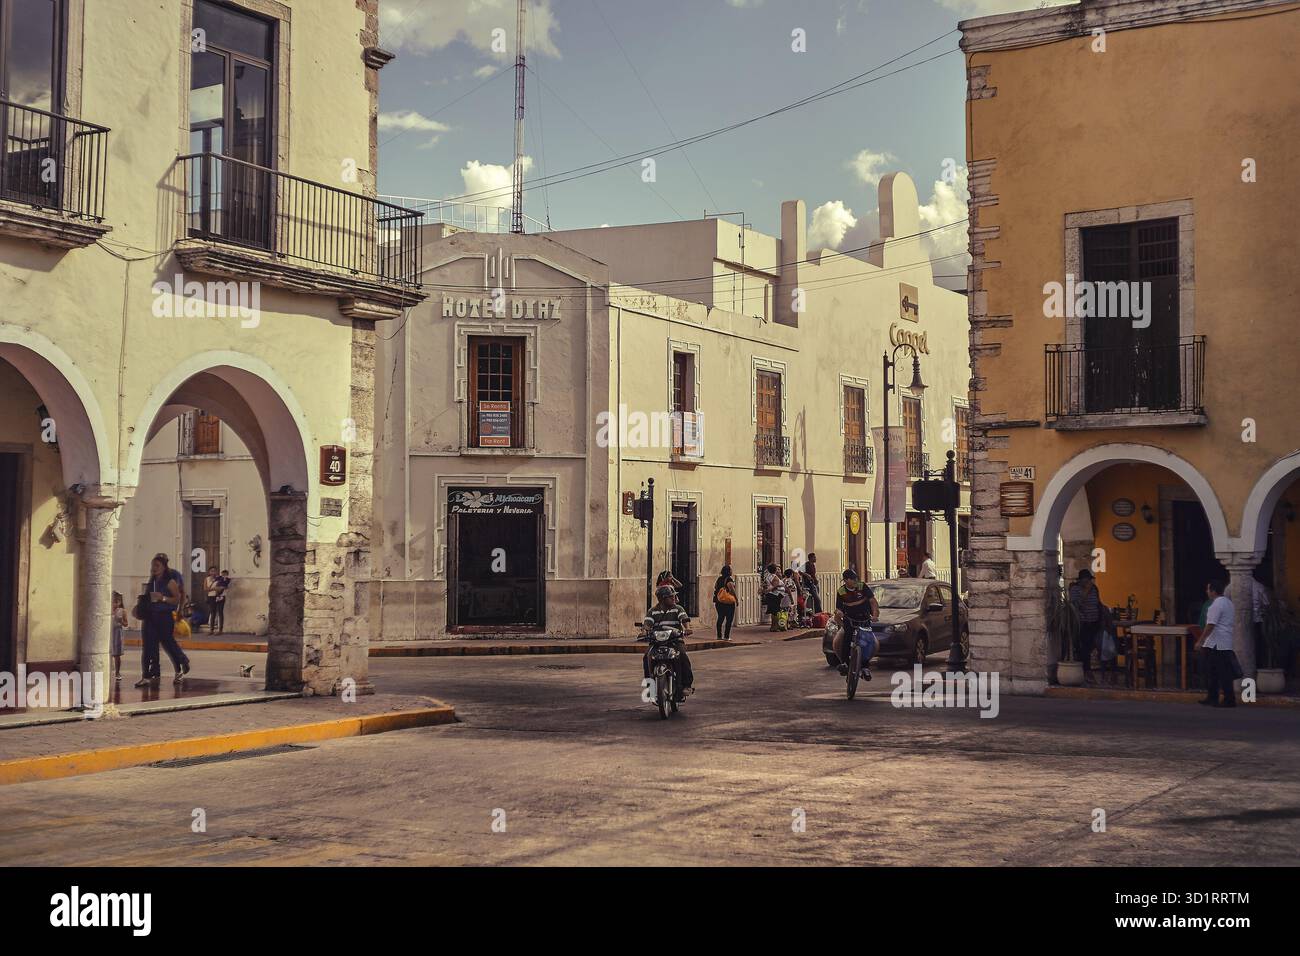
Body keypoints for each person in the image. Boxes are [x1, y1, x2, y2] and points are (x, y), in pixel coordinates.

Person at [134, 553, 192, 687]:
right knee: (148, 647)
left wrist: (163, 598)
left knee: (168, 643)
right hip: (150, 616)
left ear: (164, 566)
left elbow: (177, 598)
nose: (154, 568)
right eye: (152, 565)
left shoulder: (170, 580)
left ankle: (181, 663)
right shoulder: (152, 581)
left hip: (164, 616)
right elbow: (148, 597)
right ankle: (147, 675)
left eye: (157, 565)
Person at [642, 585, 694, 701]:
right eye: (671, 596)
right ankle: (650, 687)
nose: (674, 598)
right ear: (662, 599)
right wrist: (644, 631)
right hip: (657, 642)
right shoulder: (653, 611)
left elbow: (684, 619)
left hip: (674, 640)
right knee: (647, 657)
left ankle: (686, 685)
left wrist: (687, 628)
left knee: (683, 655)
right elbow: (647, 624)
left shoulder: (678, 608)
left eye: (673, 596)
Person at [1198, 578, 1237, 708]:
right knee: (1213, 671)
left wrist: (1201, 640)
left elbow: (1210, 625)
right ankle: (1212, 697)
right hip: (1223, 642)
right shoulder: (1228, 603)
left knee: (1221, 673)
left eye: (1208, 589)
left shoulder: (1216, 605)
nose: (1206, 591)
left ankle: (1228, 699)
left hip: (1217, 644)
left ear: (1213, 591)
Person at [834, 569, 880, 680]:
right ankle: (845, 663)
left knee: (867, 642)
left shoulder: (862, 586)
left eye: (855, 578)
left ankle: (865, 667)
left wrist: (874, 615)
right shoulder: (841, 591)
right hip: (849, 619)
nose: (855, 581)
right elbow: (838, 608)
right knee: (846, 638)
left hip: (864, 618)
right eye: (852, 579)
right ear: (845, 580)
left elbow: (873, 602)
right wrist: (839, 614)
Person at [1068, 569, 1103, 684]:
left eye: (1089, 580)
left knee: (1093, 644)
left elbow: (1098, 602)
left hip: (1095, 622)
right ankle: (1086, 671)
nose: (1088, 582)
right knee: (1084, 647)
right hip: (1083, 623)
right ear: (1081, 580)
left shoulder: (1094, 589)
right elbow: (1075, 605)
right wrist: (1085, 592)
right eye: (1085, 580)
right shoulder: (1075, 590)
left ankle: (1090, 669)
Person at [712, 565, 737, 641]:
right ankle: (726, 636)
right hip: (728, 602)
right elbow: (732, 590)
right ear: (729, 571)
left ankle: (719, 636)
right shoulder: (729, 580)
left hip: (719, 601)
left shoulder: (719, 579)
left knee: (720, 618)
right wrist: (736, 599)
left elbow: (715, 587)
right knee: (729, 619)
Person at [110, 591, 127, 683]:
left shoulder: (122, 611)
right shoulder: (108, 610)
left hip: (117, 633)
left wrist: (121, 621)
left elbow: (126, 623)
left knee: (117, 655)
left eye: (118, 602)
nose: (115, 604)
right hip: (109, 634)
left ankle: (117, 672)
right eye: (114, 601)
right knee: (108, 654)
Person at [761, 563, 783, 631]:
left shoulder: (767, 576)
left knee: (773, 611)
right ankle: (774, 627)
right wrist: (780, 586)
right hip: (775, 595)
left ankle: (772, 626)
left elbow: (765, 585)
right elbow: (774, 587)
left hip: (770, 595)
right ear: (775, 570)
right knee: (775, 611)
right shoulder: (774, 577)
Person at [211, 568, 231, 634]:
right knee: (213, 612)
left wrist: (222, 585)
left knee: (220, 612)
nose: (223, 575)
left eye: (225, 574)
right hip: (216, 595)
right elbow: (213, 583)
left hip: (222, 596)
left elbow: (226, 586)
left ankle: (220, 630)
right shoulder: (219, 578)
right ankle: (212, 629)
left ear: (227, 575)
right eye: (223, 574)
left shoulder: (228, 579)